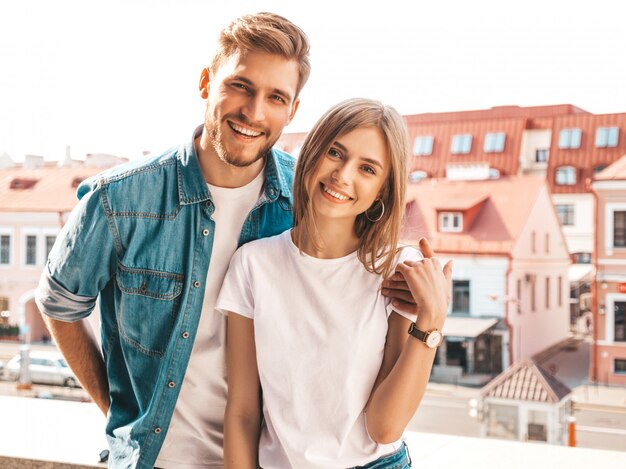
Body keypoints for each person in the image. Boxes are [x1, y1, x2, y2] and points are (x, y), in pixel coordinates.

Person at [35, 12, 312, 469]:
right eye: (240, 85)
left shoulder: (307, 203)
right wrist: (125, 416)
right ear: (206, 81)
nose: (254, 112)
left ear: (293, 110)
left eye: (276, 97)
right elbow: (60, 305)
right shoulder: (118, 200)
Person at [217, 98, 452, 468]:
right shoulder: (253, 265)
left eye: (367, 169)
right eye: (335, 152)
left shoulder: (396, 270)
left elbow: (384, 428)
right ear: (312, 152)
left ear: (383, 192)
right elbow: (243, 411)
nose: (343, 175)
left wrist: (432, 318)